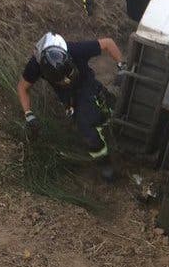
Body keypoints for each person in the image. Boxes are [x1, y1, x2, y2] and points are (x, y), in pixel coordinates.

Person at [17, 32, 124, 182]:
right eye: (61, 80)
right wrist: (29, 114)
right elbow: (22, 87)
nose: (66, 80)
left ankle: (115, 123)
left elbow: (108, 43)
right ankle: (104, 162)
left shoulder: (74, 49)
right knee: (86, 127)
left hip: (87, 84)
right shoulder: (36, 65)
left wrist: (122, 67)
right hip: (69, 98)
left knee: (112, 110)